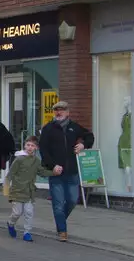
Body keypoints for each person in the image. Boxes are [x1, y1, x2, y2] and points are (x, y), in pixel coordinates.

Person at [37, 101, 94, 242]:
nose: (59, 112)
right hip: (56, 173)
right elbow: (44, 150)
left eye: (62, 110)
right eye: (56, 110)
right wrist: (52, 166)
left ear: (68, 112)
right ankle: (62, 231)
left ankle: (60, 221)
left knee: (72, 200)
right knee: (58, 203)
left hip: (72, 172)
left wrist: (83, 144)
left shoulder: (74, 128)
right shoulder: (48, 129)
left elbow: (89, 136)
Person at [4, 136, 47, 241]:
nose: (30, 147)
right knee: (17, 212)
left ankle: (27, 232)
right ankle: (11, 223)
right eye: (28, 145)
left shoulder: (36, 161)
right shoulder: (19, 159)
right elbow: (10, 174)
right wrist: (6, 188)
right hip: (17, 191)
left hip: (29, 191)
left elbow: (41, 172)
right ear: (24, 146)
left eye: (32, 146)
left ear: (36, 147)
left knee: (29, 212)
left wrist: (54, 172)